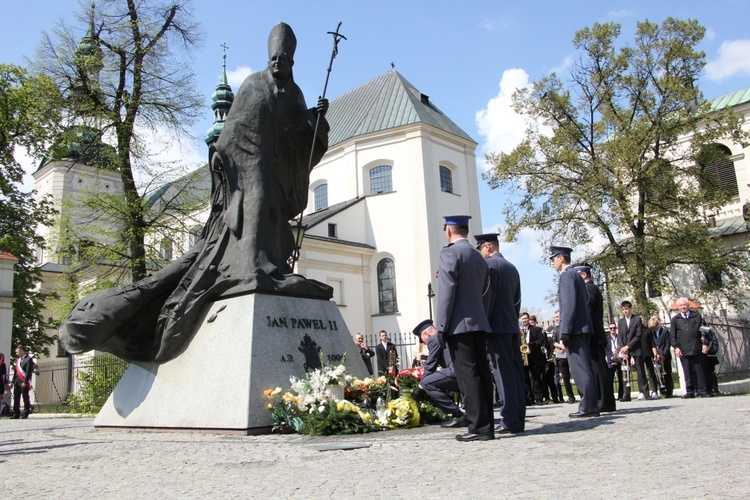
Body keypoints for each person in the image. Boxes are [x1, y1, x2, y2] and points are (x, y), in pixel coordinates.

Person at [60, 22, 331, 363]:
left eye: (284, 59)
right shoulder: (252, 84)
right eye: (274, 57)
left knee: (274, 212)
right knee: (257, 204)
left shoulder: (295, 93)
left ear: (292, 62)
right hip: (248, 165)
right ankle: (255, 266)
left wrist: (313, 120)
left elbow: (297, 135)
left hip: (277, 167)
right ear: (270, 57)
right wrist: (235, 161)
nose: (279, 63)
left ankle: (272, 267)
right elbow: (233, 131)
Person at [437, 215, 494, 441]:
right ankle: (486, 424)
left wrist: (441, 325)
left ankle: (478, 427)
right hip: (479, 322)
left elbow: (447, 292)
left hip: (459, 325)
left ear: (449, 231)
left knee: (467, 376)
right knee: (482, 373)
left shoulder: (450, 253)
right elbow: (486, 291)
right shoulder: (478, 256)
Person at [475, 233, 525, 434]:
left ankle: (510, 419)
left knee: (502, 373)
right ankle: (517, 416)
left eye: (480, 250)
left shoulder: (490, 266)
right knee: (514, 373)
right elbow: (517, 300)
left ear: (487, 247)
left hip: (496, 327)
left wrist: (484, 324)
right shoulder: (511, 267)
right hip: (511, 325)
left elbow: (487, 298)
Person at [549, 246, 599, 418]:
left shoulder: (567, 275)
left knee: (580, 368)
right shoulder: (575, 275)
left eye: (553, 258)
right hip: (581, 327)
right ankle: (590, 404)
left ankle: (588, 405)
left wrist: (566, 330)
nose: (552, 262)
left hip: (575, 329)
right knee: (584, 367)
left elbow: (569, 305)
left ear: (561, 258)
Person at [574, 263, 615, 412]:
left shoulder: (588, 288)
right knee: (597, 368)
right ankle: (605, 401)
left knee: (598, 369)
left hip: (593, 335)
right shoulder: (591, 288)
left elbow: (588, 310)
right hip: (595, 334)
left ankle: (604, 402)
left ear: (583, 274)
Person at [412, 319, 465, 427]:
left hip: (456, 372)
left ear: (426, 333)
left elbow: (431, 366)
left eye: (422, 340)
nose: (423, 343)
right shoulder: (443, 336)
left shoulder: (434, 339)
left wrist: (420, 387)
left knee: (427, 382)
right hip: (465, 371)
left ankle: (457, 415)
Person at [670, 297, 708, 398]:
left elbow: (705, 331)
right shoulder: (675, 319)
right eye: (681, 305)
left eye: (684, 305)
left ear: (688, 306)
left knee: (699, 371)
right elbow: (672, 336)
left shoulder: (697, 316)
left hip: (696, 347)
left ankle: (702, 390)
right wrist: (676, 347)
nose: (683, 307)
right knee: (687, 372)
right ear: (678, 307)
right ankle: (690, 391)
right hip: (683, 349)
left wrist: (705, 344)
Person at [617, 301, 650, 400]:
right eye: (623, 309)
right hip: (625, 350)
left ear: (630, 309)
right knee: (625, 372)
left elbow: (638, 335)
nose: (625, 311)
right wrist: (623, 348)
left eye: (626, 309)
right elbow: (620, 336)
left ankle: (645, 392)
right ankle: (626, 394)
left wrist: (628, 346)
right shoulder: (620, 321)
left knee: (640, 371)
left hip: (635, 348)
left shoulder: (637, 319)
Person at [520, 312, 547, 405]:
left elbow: (541, 340)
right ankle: (528, 399)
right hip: (523, 357)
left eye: (525, 318)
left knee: (536, 378)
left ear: (528, 319)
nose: (524, 320)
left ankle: (538, 398)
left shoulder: (537, 329)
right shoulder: (518, 331)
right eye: (522, 319)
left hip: (534, 356)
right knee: (525, 378)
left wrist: (530, 346)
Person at [552, 310, 576, 404]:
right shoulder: (556, 329)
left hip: (570, 353)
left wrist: (566, 346)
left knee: (576, 375)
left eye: (559, 316)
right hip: (561, 355)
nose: (558, 319)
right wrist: (560, 346)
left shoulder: (569, 327)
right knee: (565, 378)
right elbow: (554, 341)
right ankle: (570, 396)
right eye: (556, 317)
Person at [650, 316, 673, 397]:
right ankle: (662, 390)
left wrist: (663, 354)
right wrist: (656, 354)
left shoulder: (665, 331)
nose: (654, 328)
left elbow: (668, 343)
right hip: (656, 356)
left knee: (667, 373)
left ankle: (669, 391)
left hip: (664, 355)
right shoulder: (652, 332)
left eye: (655, 326)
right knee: (658, 374)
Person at [640, 315, 661, 400]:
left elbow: (652, 343)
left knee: (651, 372)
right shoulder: (635, 331)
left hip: (648, 353)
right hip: (639, 354)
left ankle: (654, 390)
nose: (641, 321)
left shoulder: (648, 330)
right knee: (641, 374)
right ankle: (642, 391)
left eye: (642, 319)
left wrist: (655, 354)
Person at [11, 345, 34, 419]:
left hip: (23, 382)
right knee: (16, 397)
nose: (16, 353)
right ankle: (16, 412)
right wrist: (13, 381)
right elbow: (15, 372)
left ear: (21, 351)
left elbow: (28, 372)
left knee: (25, 397)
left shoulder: (28, 359)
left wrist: (25, 381)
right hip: (17, 382)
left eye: (17, 352)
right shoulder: (18, 360)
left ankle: (26, 412)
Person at [604, 323, 625, 401]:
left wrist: (619, 356)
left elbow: (622, 347)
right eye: (611, 328)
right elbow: (606, 350)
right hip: (611, 360)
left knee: (622, 378)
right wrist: (612, 357)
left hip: (620, 359)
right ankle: (610, 396)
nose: (613, 330)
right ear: (609, 329)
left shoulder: (620, 337)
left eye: (614, 328)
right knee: (610, 380)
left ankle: (621, 395)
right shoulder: (607, 339)